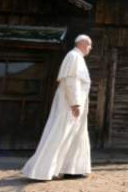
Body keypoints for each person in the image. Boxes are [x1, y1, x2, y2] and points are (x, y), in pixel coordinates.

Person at [21, 34, 93, 180]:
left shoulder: (77, 58)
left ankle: (71, 169)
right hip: (69, 104)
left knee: (75, 136)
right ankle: (43, 170)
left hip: (75, 104)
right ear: (84, 44)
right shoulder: (73, 56)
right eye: (90, 45)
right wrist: (75, 103)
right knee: (61, 134)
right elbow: (70, 80)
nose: (90, 49)